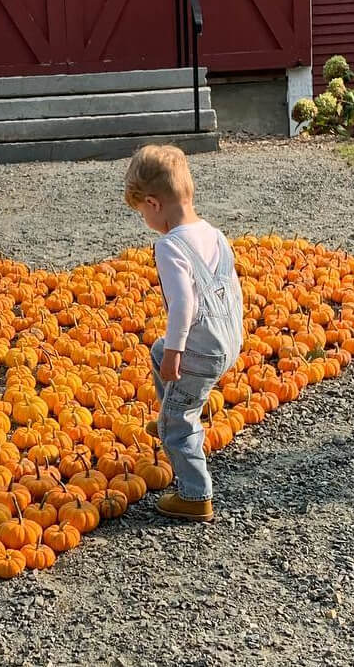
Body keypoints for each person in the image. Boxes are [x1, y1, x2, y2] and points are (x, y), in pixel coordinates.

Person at [123, 144, 245, 522]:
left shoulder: (169, 245)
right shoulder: (213, 233)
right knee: (159, 351)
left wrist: (177, 351)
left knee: (175, 419)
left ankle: (195, 496)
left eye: (141, 211)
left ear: (153, 203)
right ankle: (180, 405)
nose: (144, 217)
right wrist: (170, 350)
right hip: (228, 341)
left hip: (199, 349)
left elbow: (183, 306)